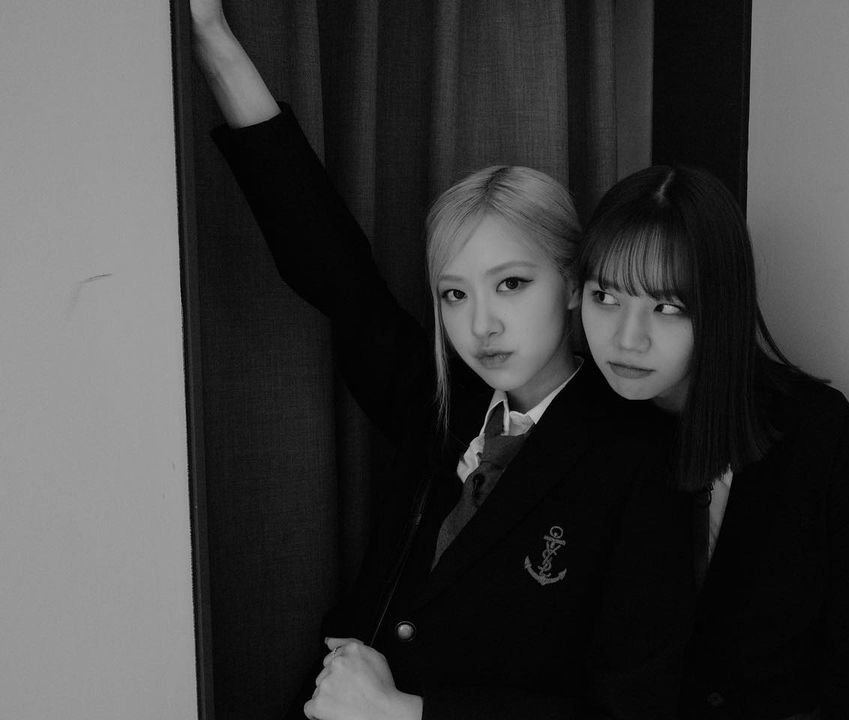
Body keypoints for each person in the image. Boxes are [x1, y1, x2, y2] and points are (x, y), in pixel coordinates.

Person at [190, 3, 693, 720]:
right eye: (454, 294)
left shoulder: (639, 460)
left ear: (572, 283)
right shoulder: (443, 404)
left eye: (511, 284)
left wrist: (407, 713)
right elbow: (330, 264)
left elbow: (629, 711)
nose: (481, 324)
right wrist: (211, 37)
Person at [577, 165, 849, 720]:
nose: (627, 339)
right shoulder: (577, 424)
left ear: (721, 306)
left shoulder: (818, 434)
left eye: (667, 307)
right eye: (605, 296)